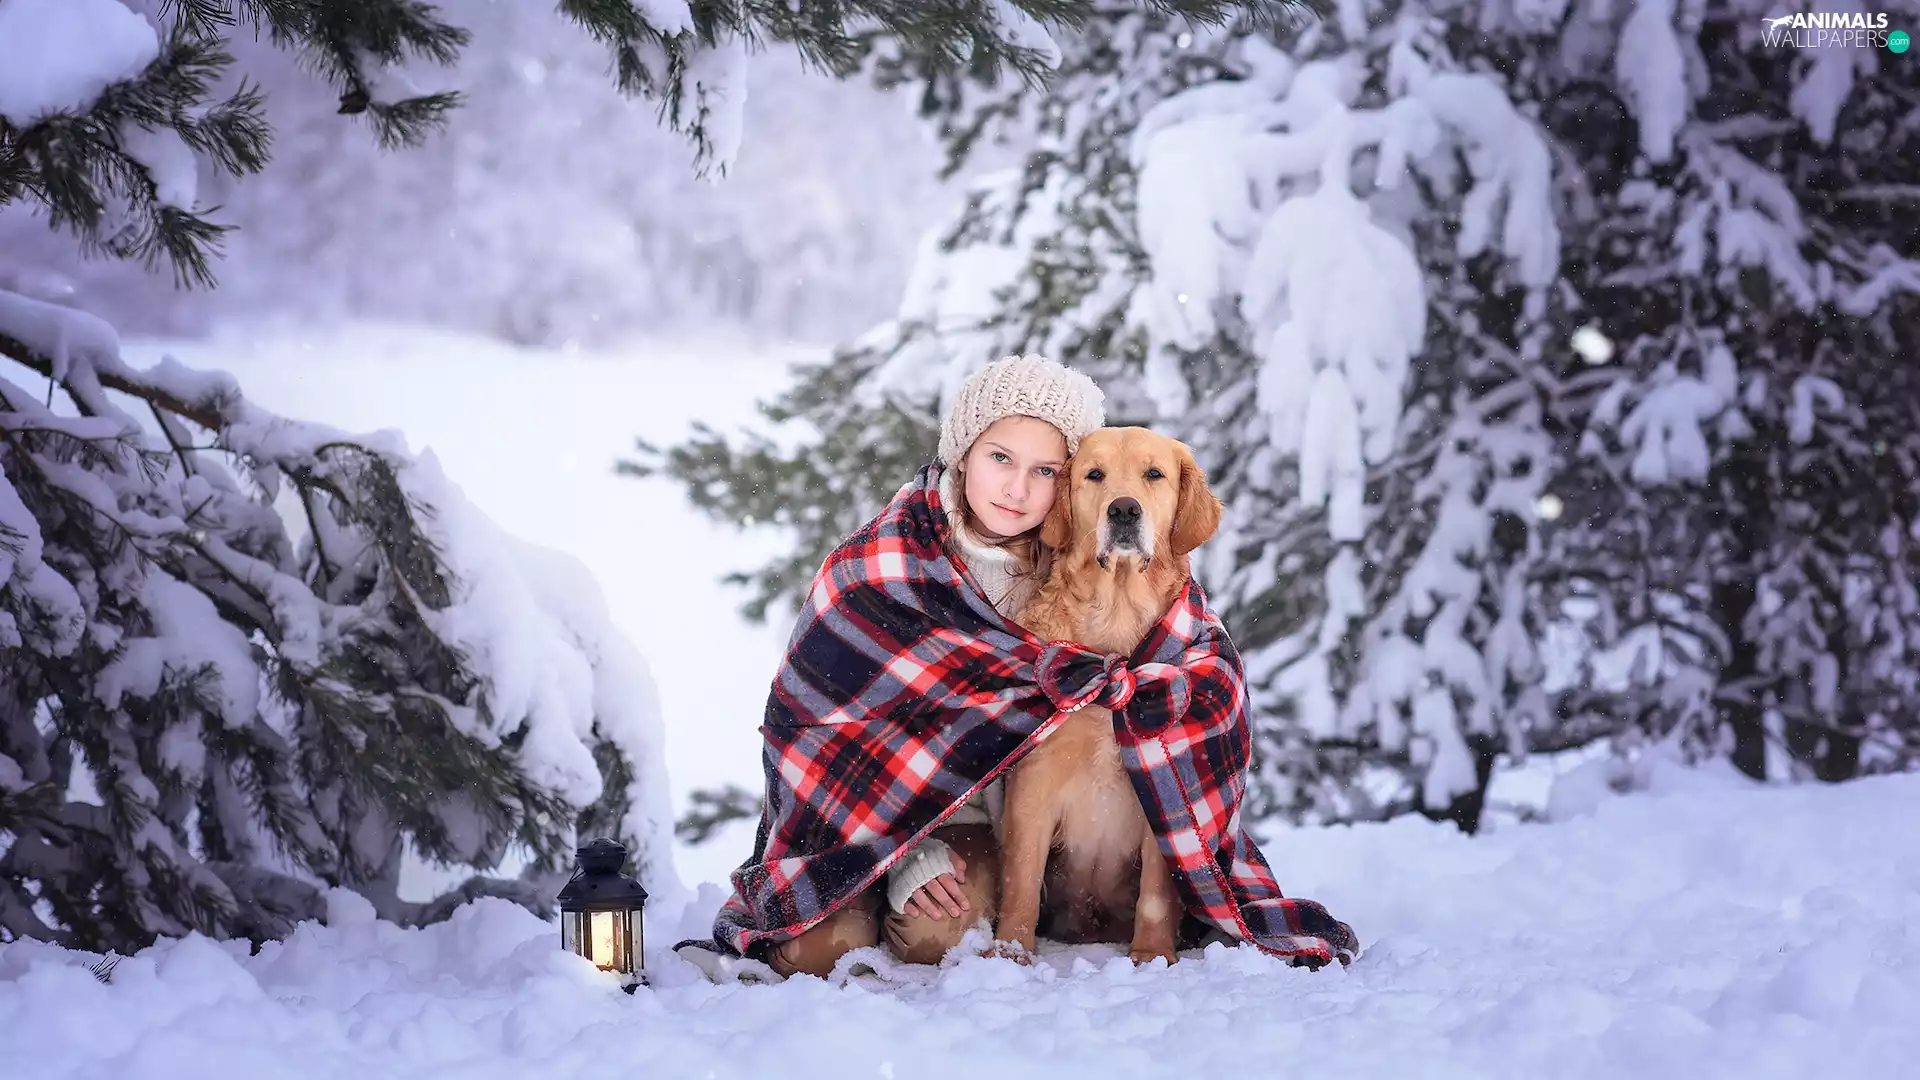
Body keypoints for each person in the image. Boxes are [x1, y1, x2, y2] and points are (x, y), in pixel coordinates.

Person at [762, 353, 1106, 977]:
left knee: (937, 932)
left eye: (1045, 470)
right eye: (1000, 458)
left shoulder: (1078, 576)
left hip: (976, 821)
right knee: (814, 952)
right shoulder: (879, 566)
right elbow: (814, 729)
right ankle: (856, 896)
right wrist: (905, 855)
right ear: (964, 454)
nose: (1017, 489)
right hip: (848, 821)